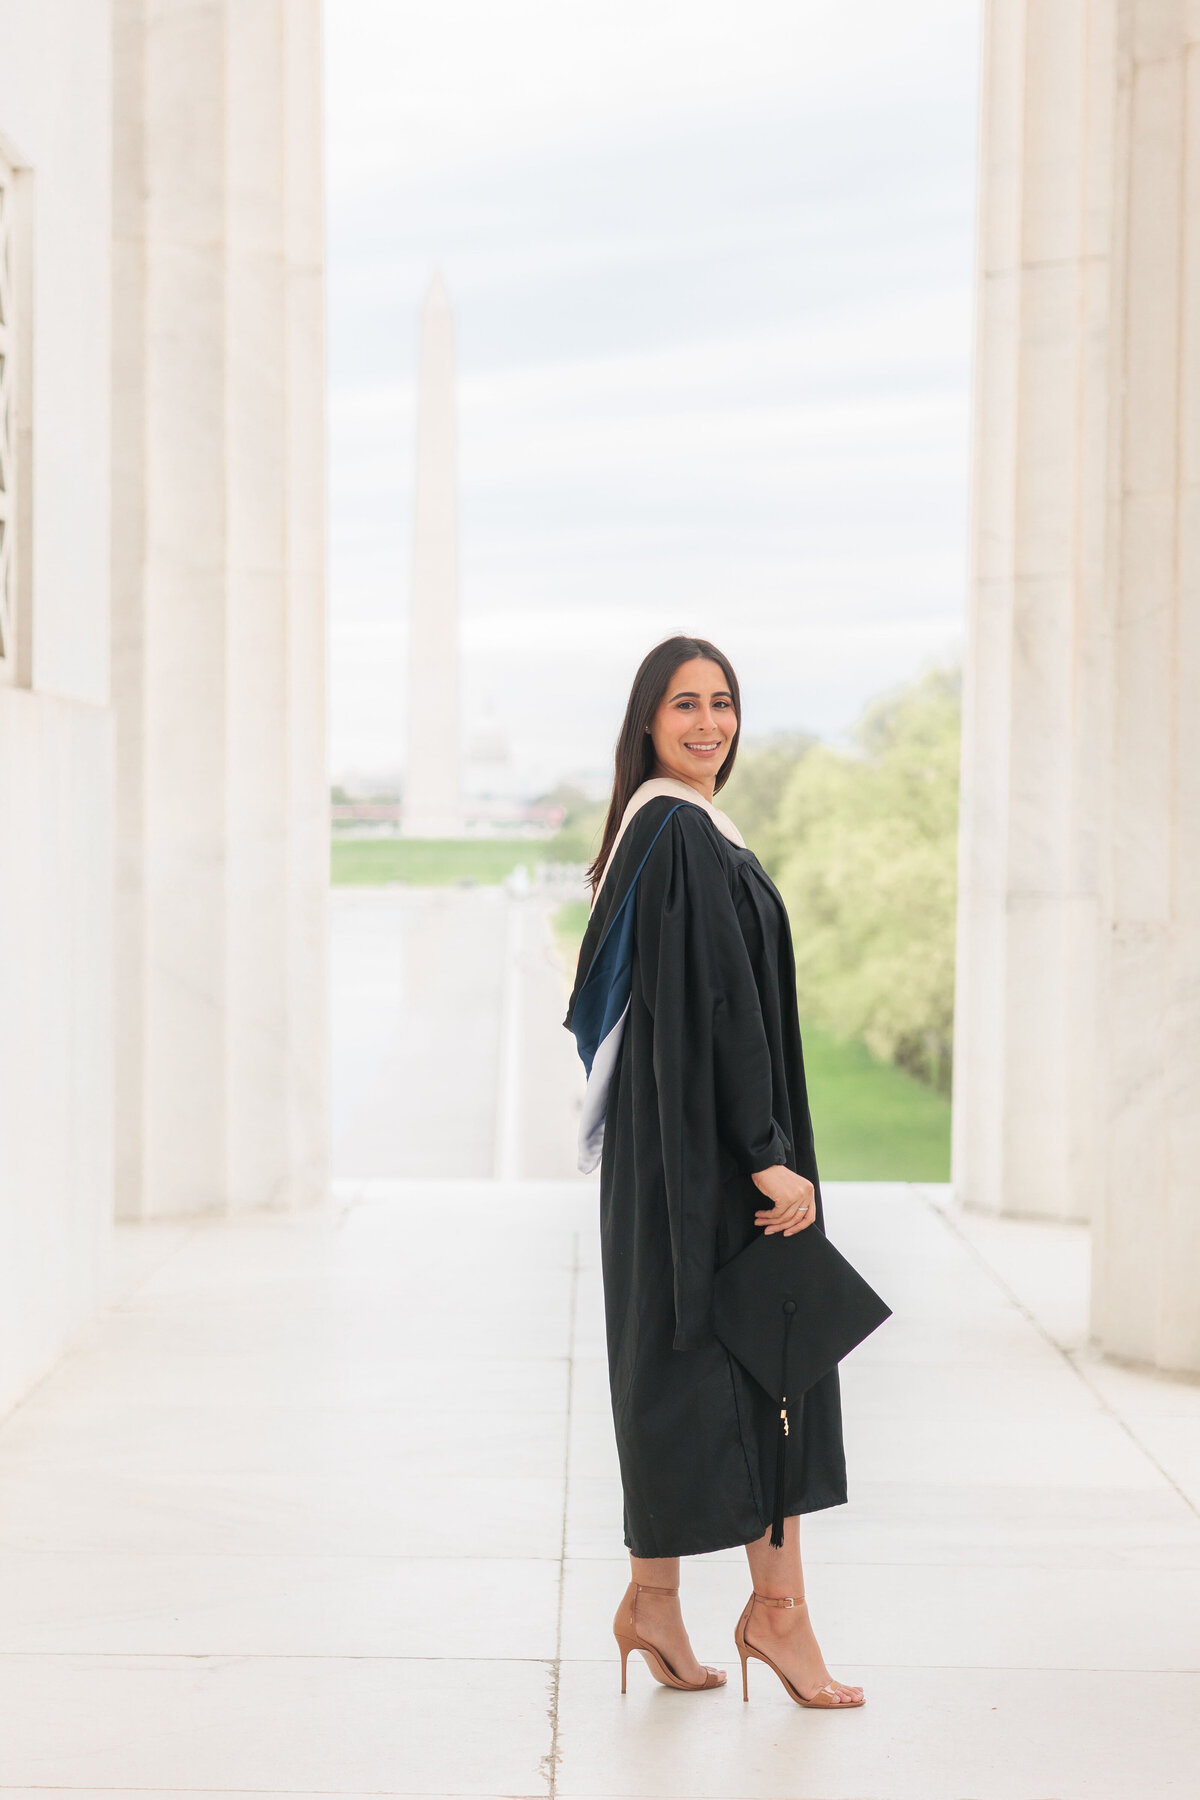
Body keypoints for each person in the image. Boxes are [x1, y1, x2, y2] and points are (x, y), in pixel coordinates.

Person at [565, 635, 864, 1709]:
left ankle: (654, 1598)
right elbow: (728, 1009)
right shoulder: (680, 832)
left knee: (685, 1356)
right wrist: (769, 1156)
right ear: (647, 721)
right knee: (764, 1362)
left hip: (670, 1151)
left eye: (724, 703)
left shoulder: (658, 832)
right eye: (685, 705)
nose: (708, 724)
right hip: (717, 1155)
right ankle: (777, 1617)